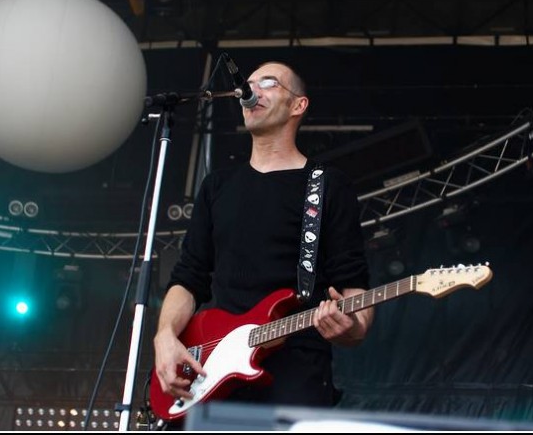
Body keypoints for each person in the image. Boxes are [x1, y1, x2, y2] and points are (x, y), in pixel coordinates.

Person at [153, 60, 374, 415]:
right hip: (213, 372)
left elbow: (353, 284)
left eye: (268, 83)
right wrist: (164, 337)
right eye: (248, 83)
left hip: (295, 373)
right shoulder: (217, 187)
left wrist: (352, 328)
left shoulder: (326, 185)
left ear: (298, 105)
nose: (250, 90)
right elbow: (188, 278)